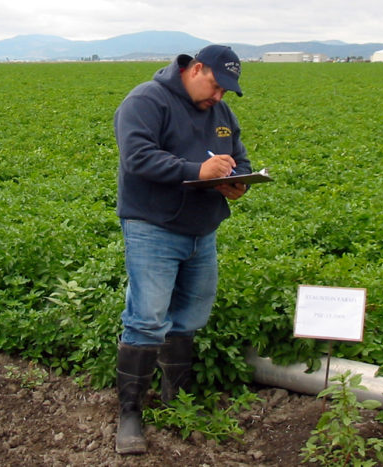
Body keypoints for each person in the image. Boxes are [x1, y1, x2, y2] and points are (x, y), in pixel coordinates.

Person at [112, 44, 251, 455]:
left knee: (190, 315)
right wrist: (197, 171)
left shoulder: (221, 114)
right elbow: (137, 157)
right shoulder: (146, 100)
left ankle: (179, 398)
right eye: (215, 86)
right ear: (196, 69)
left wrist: (238, 182)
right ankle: (130, 415)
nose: (219, 97)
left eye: (227, 91)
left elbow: (238, 158)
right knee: (147, 317)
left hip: (201, 229)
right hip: (153, 227)